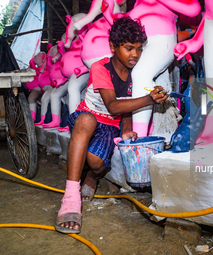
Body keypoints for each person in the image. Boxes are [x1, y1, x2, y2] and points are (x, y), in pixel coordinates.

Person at [55, 17, 168, 234]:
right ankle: (70, 198)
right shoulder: (101, 67)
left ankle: (93, 175)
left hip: (109, 127)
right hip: (85, 119)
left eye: (138, 49)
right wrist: (150, 99)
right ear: (113, 46)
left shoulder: (136, 73)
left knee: (97, 162)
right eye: (128, 48)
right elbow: (114, 105)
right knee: (86, 120)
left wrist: (126, 128)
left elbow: (125, 108)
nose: (134, 54)